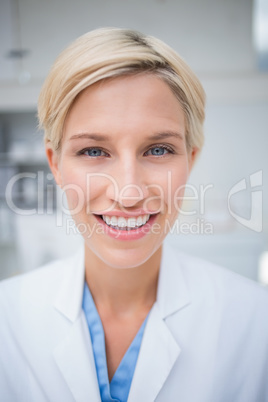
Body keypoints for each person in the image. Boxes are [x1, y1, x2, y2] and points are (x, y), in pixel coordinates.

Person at [0, 27, 268, 402]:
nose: (128, 193)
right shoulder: (6, 318)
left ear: (190, 161)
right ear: (55, 165)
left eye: (158, 150)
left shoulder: (257, 323)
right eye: (94, 151)